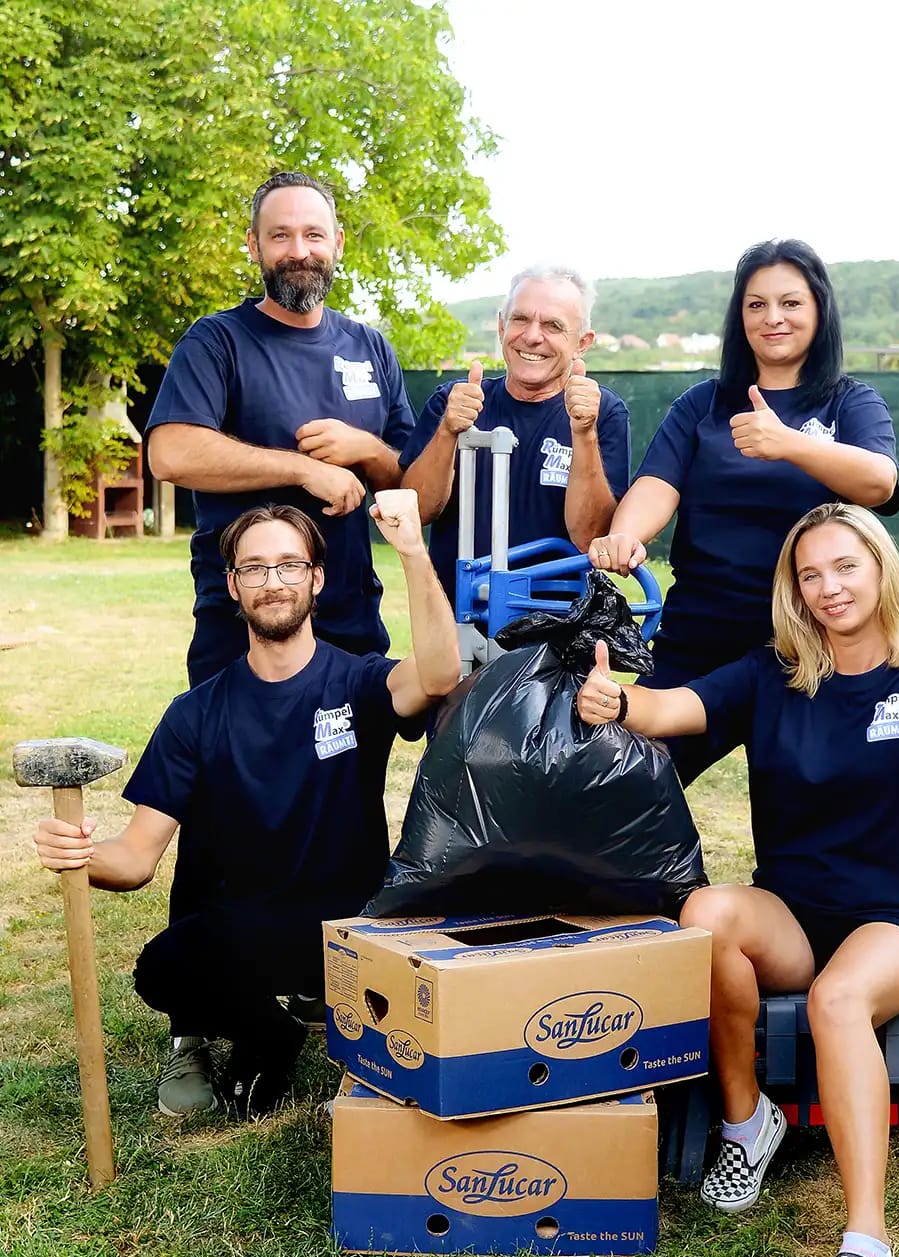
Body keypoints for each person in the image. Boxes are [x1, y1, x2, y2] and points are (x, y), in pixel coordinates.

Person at [577, 501, 899, 1257]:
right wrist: (616, 702)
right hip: (797, 917)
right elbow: (676, 709)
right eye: (811, 574)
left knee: (841, 1001)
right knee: (705, 914)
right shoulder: (775, 674)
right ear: (794, 591)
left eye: (846, 566)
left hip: (898, 921)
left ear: (878, 570)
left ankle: (866, 1244)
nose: (830, 586)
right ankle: (748, 1118)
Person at [32, 495, 461, 1120]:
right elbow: (134, 859)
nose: (273, 581)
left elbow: (441, 674)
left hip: (353, 927)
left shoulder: (361, 681)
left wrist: (414, 553)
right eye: (254, 568)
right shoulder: (195, 714)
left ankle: (320, 1003)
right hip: (250, 927)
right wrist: (80, 855)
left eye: (289, 565)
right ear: (233, 586)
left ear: (316, 578)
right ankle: (271, 1033)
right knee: (165, 968)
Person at [589, 238, 899, 784]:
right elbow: (656, 485)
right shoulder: (701, 405)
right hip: (699, 633)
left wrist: (789, 443)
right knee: (627, 782)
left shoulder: (851, 402)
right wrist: (625, 535)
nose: (773, 318)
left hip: (810, 638)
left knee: (805, 811)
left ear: (819, 310)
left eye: (790, 303)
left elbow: (879, 482)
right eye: (756, 304)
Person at [147, 170, 415, 688]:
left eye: (313, 234)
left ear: (336, 243)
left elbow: (409, 482)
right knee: (239, 769)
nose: (299, 250)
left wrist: (366, 449)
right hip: (243, 624)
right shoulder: (216, 340)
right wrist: (303, 470)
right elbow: (171, 452)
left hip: (348, 620)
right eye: (280, 235)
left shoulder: (370, 347)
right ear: (254, 245)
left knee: (349, 770)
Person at [399, 265, 631, 616]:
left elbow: (591, 538)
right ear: (501, 325)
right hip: (454, 626)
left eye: (553, 326)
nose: (532, 336)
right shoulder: (456, 401)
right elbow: (416, 512)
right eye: (521, 319)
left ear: (582, 343)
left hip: (554, 633)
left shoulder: (603, 413)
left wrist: (583, 433)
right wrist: (448, 432)